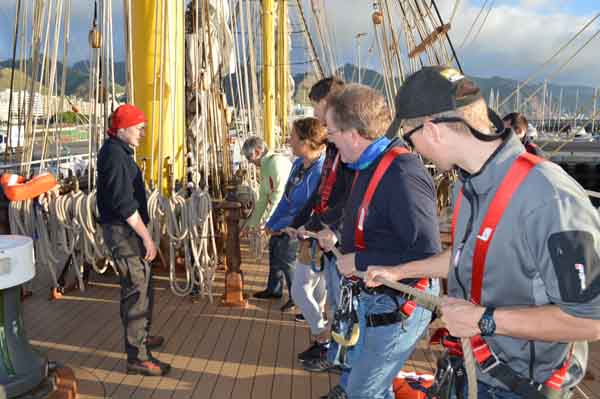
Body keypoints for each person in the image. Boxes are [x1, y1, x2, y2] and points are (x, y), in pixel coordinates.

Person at [368, 66, 600, 399]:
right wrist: (399, 272)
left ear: (432, 130)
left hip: (519, 386)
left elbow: (590, 321)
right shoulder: (470, 185)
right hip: (472, 370)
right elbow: (467, 253)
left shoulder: (550, 197)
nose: (414, 149)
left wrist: (484, 321)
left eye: (409, 138)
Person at [316, 84, 441, 399]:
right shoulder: (369, 166)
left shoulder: (402, 173)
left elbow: (426, 252)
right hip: (375, 300)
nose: (329, 139)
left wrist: (358, 261)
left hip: (399, 304)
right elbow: (366, 215)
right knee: (368, 386)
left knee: (363, 391)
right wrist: (337, 233)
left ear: (353, 135)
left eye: (331, 132)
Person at [97, 104, 170, 376]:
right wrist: (147, 238)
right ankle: (137, 357)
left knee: (143, 286)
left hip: (126, 232)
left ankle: (141, 335)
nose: (142, 133)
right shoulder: (115, 157)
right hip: (123, 233)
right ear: (124, 128)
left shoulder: (119, 152)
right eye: (139, 128)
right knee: (136, 290)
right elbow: (125, 205)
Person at [284, 77, 352, 367]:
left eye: (317, 106)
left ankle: (334, 354)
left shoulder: (347, 151)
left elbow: (348, 200)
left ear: (331, 104)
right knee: (332, 300)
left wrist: (313, 226)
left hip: (338, 237)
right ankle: (331, 351)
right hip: (324, 232)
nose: (314, 114)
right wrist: (305, 223)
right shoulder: (335, 151)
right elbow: (321, 195)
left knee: (338, 304)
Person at [264, 117, 326, 312]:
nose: (289, 141)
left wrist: (279, 225)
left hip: (310, 230)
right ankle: (288, 295)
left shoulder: (320, 171)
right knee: (278, 248)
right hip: (290, 225)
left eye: (292, 137)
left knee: (312, 277)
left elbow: (305, 209)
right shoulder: (299, 163)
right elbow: (287, 198)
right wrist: (272, 222)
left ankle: (309, 308)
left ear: (305, 142)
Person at [241, 136, 292, 300]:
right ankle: (274, 289)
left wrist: (270, 222)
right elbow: (263, 198)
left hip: (289, 218)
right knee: (275, 251)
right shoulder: (265, 166)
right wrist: (251, 224)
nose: (249, 162)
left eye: (249, 158)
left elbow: (279, 195)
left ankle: (295, 297)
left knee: (287, 258)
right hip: (280, 217)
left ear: (257, 151)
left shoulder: (276, 163)